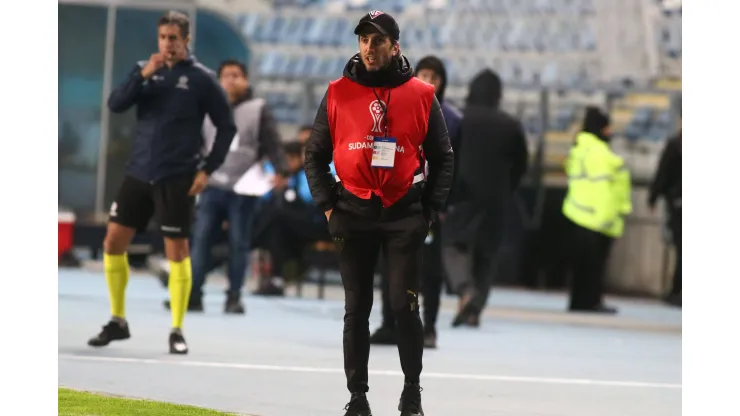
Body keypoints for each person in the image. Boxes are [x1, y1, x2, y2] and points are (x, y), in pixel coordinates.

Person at [304, 10, 454, 416]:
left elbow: (444, 157)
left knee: (405, 306)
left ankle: (412, 392)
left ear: (395, 46)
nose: (370, 47)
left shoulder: (422, 94)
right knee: (357, 308)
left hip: (405, 214)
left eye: (378, 40)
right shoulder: (337, 92)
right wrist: (329, 206)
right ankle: (357, 397)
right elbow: (314, 156)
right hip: (351, 212)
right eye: (364, 40)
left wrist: (430, 210)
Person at [87, 11, 236, 355]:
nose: (167, 44)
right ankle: (118, 320)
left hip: (177, 177)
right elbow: (116, 103)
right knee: (112, 243)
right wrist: (142, 75)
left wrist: (207, 170)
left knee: (177, 252)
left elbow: (226, 127)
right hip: (138, 173)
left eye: (174, 38)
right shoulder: (144, 70)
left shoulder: (202, 79)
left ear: (186, 40)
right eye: (163, 38)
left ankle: (177, 328)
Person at [162, 59, 288, 314]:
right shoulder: (208, 108)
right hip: (211, 184)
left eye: (236, 76)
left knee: (239, 243)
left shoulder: (258, 108)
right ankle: (193, 294)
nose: (231, 80)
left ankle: (233, 297)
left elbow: (272, 143)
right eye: (226, 76)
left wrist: (281, 171)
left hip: (244, 187)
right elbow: (195, 142)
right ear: (219, 81)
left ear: (246, 80)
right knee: (201, 240)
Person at [370, 55, 462, 349]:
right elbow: (382, 149)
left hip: (430, 203)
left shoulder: (453, 120)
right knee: (390, 264)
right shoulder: (392, 111)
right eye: (424, 75)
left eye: (436, 78)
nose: (430, 82)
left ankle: (429, 327)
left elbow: (455, 167)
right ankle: (389, 324)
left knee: (429, 270)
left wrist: (443, 203)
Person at [442, 69, 529, 327]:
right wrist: (507, 189)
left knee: (454, 245)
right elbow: (521, 165)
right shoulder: (510, 124)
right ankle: (475, 309)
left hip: (462, 193)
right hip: (497, 196)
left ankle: (465, 290)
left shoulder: (460, 119)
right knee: (487, 253)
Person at [562, 106, 632, 313]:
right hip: (598, 216)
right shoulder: (602, 153)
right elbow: (607, 188)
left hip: (577, 211)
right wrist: (613, 215)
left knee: (580, 266)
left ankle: (578, 301)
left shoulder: (578, 149)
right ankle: (592, 301)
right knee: (595, 266)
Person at [251, 141, 336, 296]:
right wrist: (277, 189)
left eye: (290, 159)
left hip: (315, 225)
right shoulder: (278, 178)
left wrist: (288, 187)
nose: (287, 164)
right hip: (291, 229)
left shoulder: (309, 176)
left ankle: (253, 238)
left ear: (298, 159)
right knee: (277, 230)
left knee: (278, 216)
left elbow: (311, 202)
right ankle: (277, 280)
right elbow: (263, 199)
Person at [648, 117, 681, 307]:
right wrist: (654, 196)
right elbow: (664, 171)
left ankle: (676, 290)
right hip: (679, 205)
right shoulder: (676, 145)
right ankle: (676, 290)